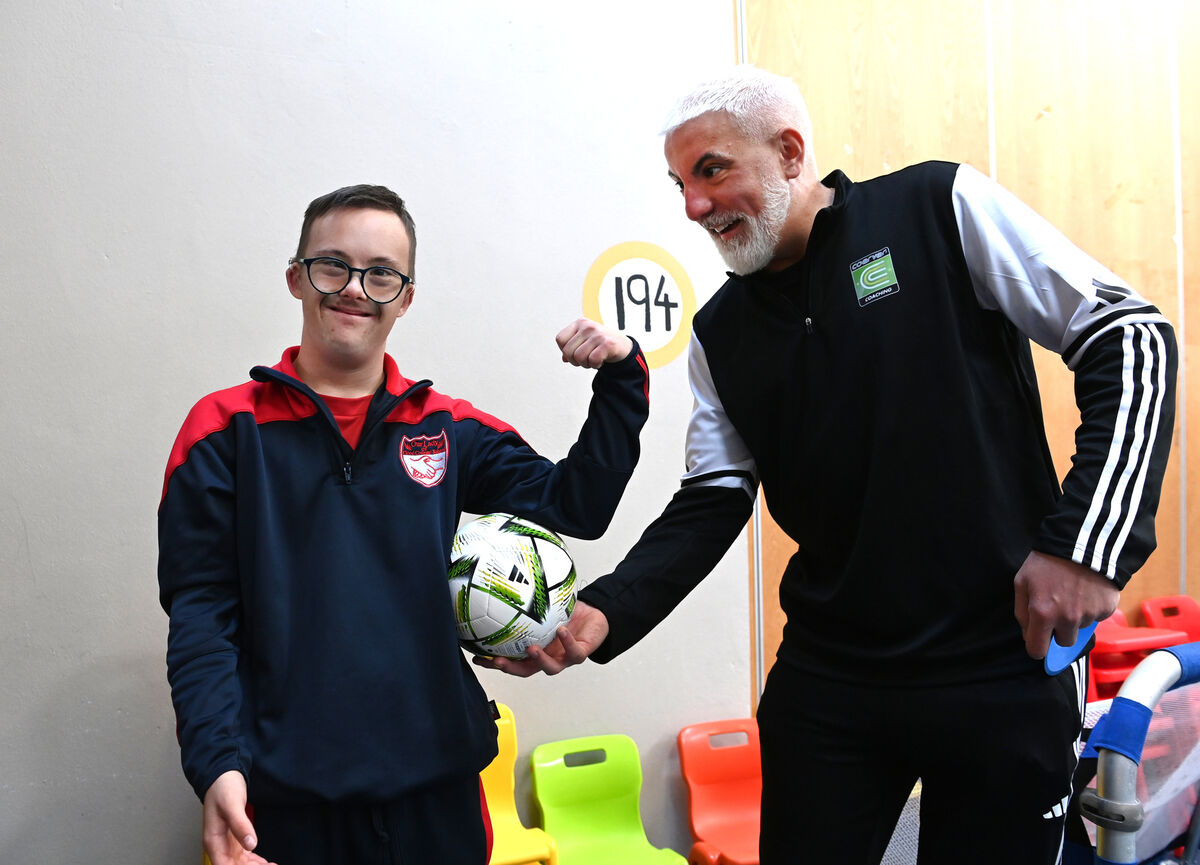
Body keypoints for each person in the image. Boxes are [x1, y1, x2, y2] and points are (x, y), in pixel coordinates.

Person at [482, 67, 1178, 863]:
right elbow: (710, 502)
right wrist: (605, 611)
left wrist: (1087, 544)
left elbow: (1131, 336)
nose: (693, 207)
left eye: (712, 170)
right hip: (832, 682)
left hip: (1001, 665)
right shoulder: (721, 333)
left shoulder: (936, 206)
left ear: (788, 152)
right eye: (679, 183)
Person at [157, 183, 650, 865]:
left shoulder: (448, 428)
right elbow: (202, 615)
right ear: (296, 278)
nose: (355, 288)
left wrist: (622, 378)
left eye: (381, 273)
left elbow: (578, 505)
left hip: (437, 799)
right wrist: (216, 764)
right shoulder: (222, 431)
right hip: (286, 801)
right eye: (333, 264)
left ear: (407, 295)